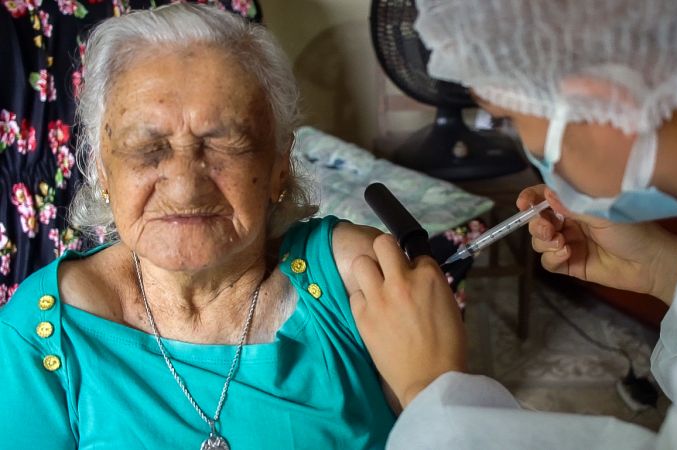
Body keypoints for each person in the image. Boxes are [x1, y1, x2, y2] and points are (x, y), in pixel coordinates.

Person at [348, 0, 677, 448]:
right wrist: (665, 268)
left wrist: (429, 392)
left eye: (510, 118)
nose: (525, 145)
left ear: (601, 102)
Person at [0, 4, 397, 448]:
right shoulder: (41, 337)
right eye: (146, 148)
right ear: (101, 171)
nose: (186, 188)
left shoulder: (359, 286)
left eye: (225, 144)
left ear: (279, 167)